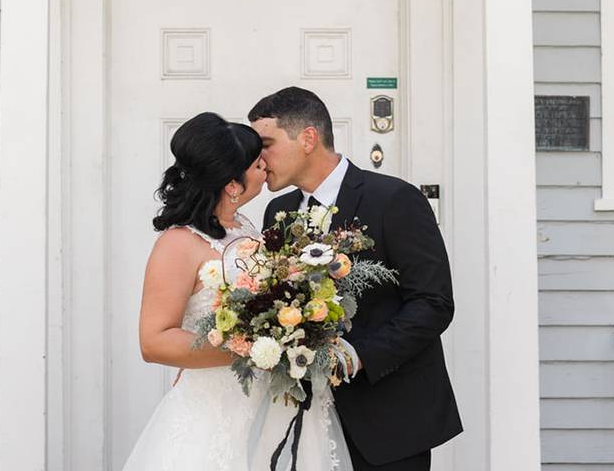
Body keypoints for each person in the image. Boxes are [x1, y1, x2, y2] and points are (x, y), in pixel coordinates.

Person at [124, 112, 354, 470]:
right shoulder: (178, 244)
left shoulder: (245, 226)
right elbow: (153, 341)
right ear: (233, 184)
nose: (266, 167)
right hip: (216, 409)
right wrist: (260, 350)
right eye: (257, 162)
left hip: (272, 402)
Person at [250, 87, 463, 471]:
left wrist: (358, 355)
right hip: (305, 421)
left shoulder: (395, 200)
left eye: (266, 143)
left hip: (388, 418)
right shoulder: (276, 212)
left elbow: (434, 304)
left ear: (308, 138)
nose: (258, 158)